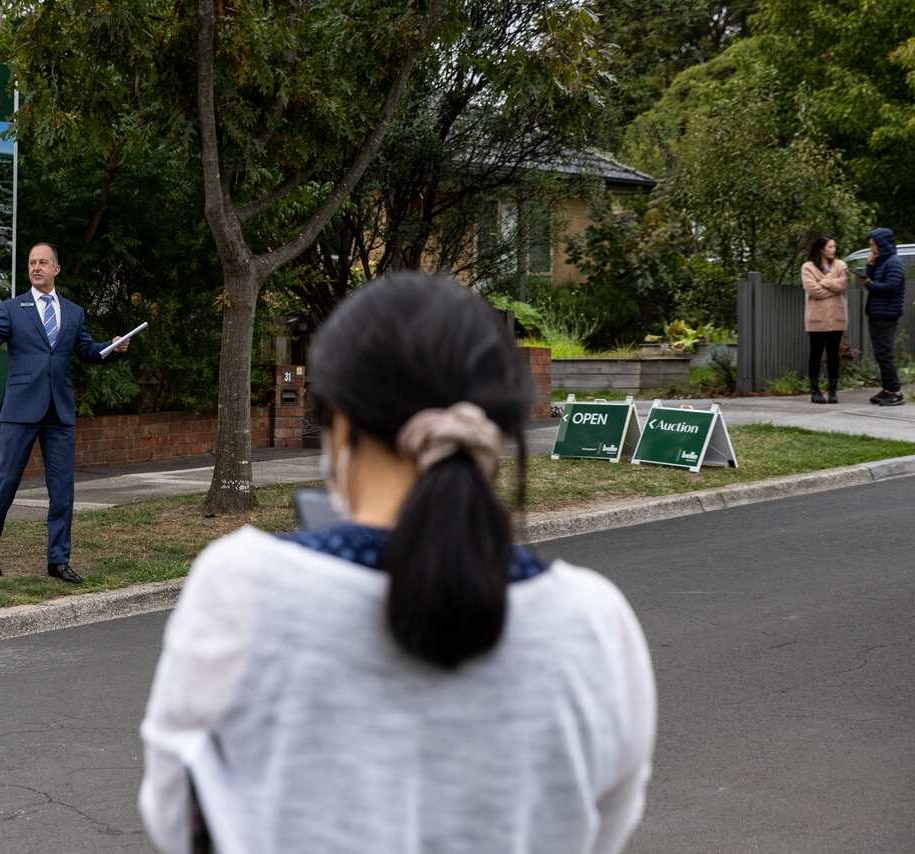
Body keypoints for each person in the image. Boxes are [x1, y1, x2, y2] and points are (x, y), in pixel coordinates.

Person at [139, 274, 656, 854]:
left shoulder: (242, 587)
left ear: (341, 428)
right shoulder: (594, 622)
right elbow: (605, 826)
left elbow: (175, 813)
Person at [0, 242, 129, 582]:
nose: (36, 267)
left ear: (56, 269)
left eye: (42, 263)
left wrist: (112, 347)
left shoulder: (73, 312)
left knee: (62, 489)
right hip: (20, 409)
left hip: (60, 412)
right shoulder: (13, 308)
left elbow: (87, 351)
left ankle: (58, 561)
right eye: (31, 263)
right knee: (5, 483)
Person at [859, 227, 905, 406]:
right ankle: (887, 389)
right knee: (880, 354)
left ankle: (895, 391)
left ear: (882, 244)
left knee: (885, 354)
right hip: (878, 312)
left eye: (873, 245)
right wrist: (870, 265)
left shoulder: (894, 262)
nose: (872, 248)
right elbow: (873, 281)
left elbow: (891, 287)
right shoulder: (881, 261)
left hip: (887, 314)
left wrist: (869, 284)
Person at [801, 235, 849, 403]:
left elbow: (844, 284)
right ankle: (815, 391)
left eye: (834, 247)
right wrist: (833, 287)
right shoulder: (807, 267)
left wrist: (825, 282)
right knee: (816, 354)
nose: (833, 250)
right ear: (821, 249)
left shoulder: (841, 265)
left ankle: (833, 391)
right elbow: (813, 291)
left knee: (834, 355)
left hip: (837, 317)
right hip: (817, 319)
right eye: (830, 247)